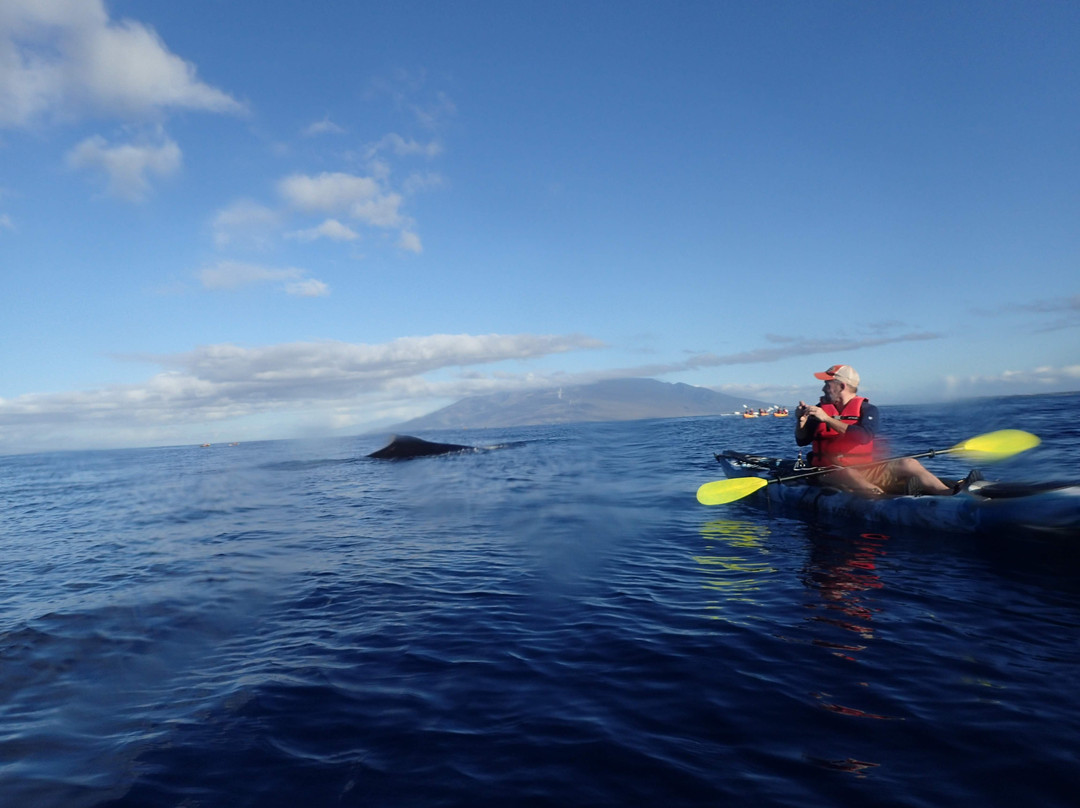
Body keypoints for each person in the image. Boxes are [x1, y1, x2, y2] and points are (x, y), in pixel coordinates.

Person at [794, 364, 955, 496]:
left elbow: (864, 437)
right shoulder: (819, 409)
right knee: (847, 473)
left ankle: (948, 494)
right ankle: (883, 498)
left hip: (866, 467)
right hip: (828, 471)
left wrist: (827, 419)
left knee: (909, 463)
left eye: (827, 384)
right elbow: (802, 440)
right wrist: (800, 421)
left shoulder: (868, 410)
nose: (823, 389)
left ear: (841, 386)